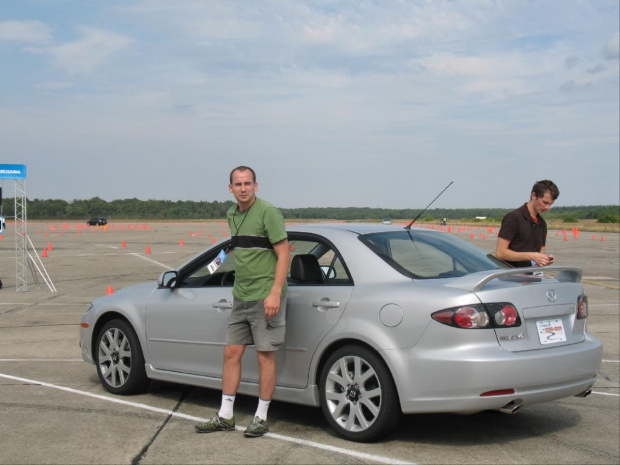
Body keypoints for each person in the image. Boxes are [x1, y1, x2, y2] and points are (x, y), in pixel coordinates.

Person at [195, 166, 290, 438]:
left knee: (264, 356)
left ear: (256, 186)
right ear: (230, 188)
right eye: (238, 184)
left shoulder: (268, 213)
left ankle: (261, 416)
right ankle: (225, 415)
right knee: (231, 353)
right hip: (241, 296)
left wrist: (274, 292)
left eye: (248, 183)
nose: (243, 188)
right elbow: (239, 251)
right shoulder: (231, 214)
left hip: (265, 296)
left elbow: (284, 255)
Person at [496, 180, 559, 268]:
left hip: (534, 278)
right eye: (545, 202)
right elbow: (500, 253)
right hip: (513, 278)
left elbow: (541, 253)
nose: (547, 208)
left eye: (550, 204)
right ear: (534, 195)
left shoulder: (542, 224)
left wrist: (545, 260)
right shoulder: (513, 218)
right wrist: (531, 256)